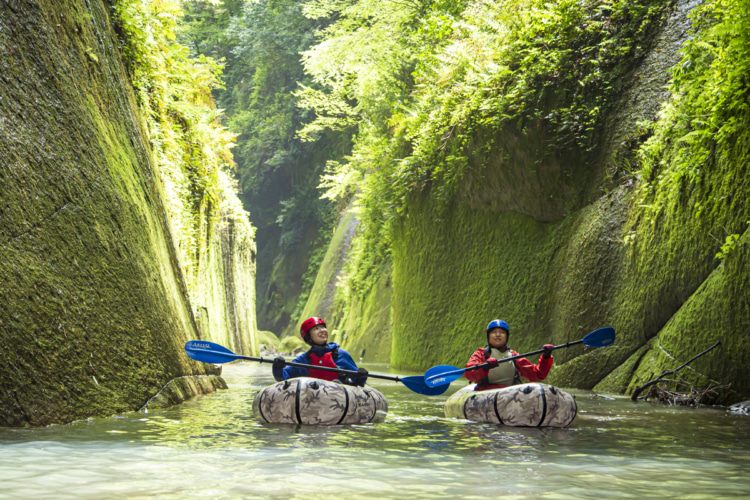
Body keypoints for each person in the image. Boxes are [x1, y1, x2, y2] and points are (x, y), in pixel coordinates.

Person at [272, 317, 368, 386]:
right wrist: (277, 367)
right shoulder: (304, 360)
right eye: (316, 329)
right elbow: (283, 377)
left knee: (336, 383)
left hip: (339, 400)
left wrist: (361, 375)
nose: (322, 330)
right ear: (309, 337)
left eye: (323, 327)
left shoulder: (341, 355)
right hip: (313, 401)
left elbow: (358, 382)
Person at [465, 319, 554, 391]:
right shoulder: (480, 354)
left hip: (510, 396)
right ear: (488, 336)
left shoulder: (514, 356)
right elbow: (469, 374)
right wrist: (484, 367)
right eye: (494, 332)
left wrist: (546, 357)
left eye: (502, 332)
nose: (498, 335)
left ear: (507, 336)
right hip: (486, 395)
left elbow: (537, 375)